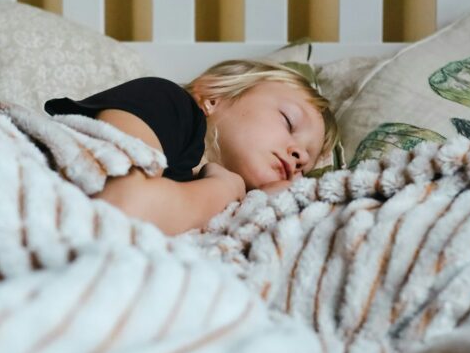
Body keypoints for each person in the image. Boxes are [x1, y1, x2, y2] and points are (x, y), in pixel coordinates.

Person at [45, 60, 338, 235]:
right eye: (288, 121)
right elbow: (122, 209)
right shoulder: (167, 102)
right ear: (213, 97)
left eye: (306, 165)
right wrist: (226, 187)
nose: (299, 156)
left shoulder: (236, 215)